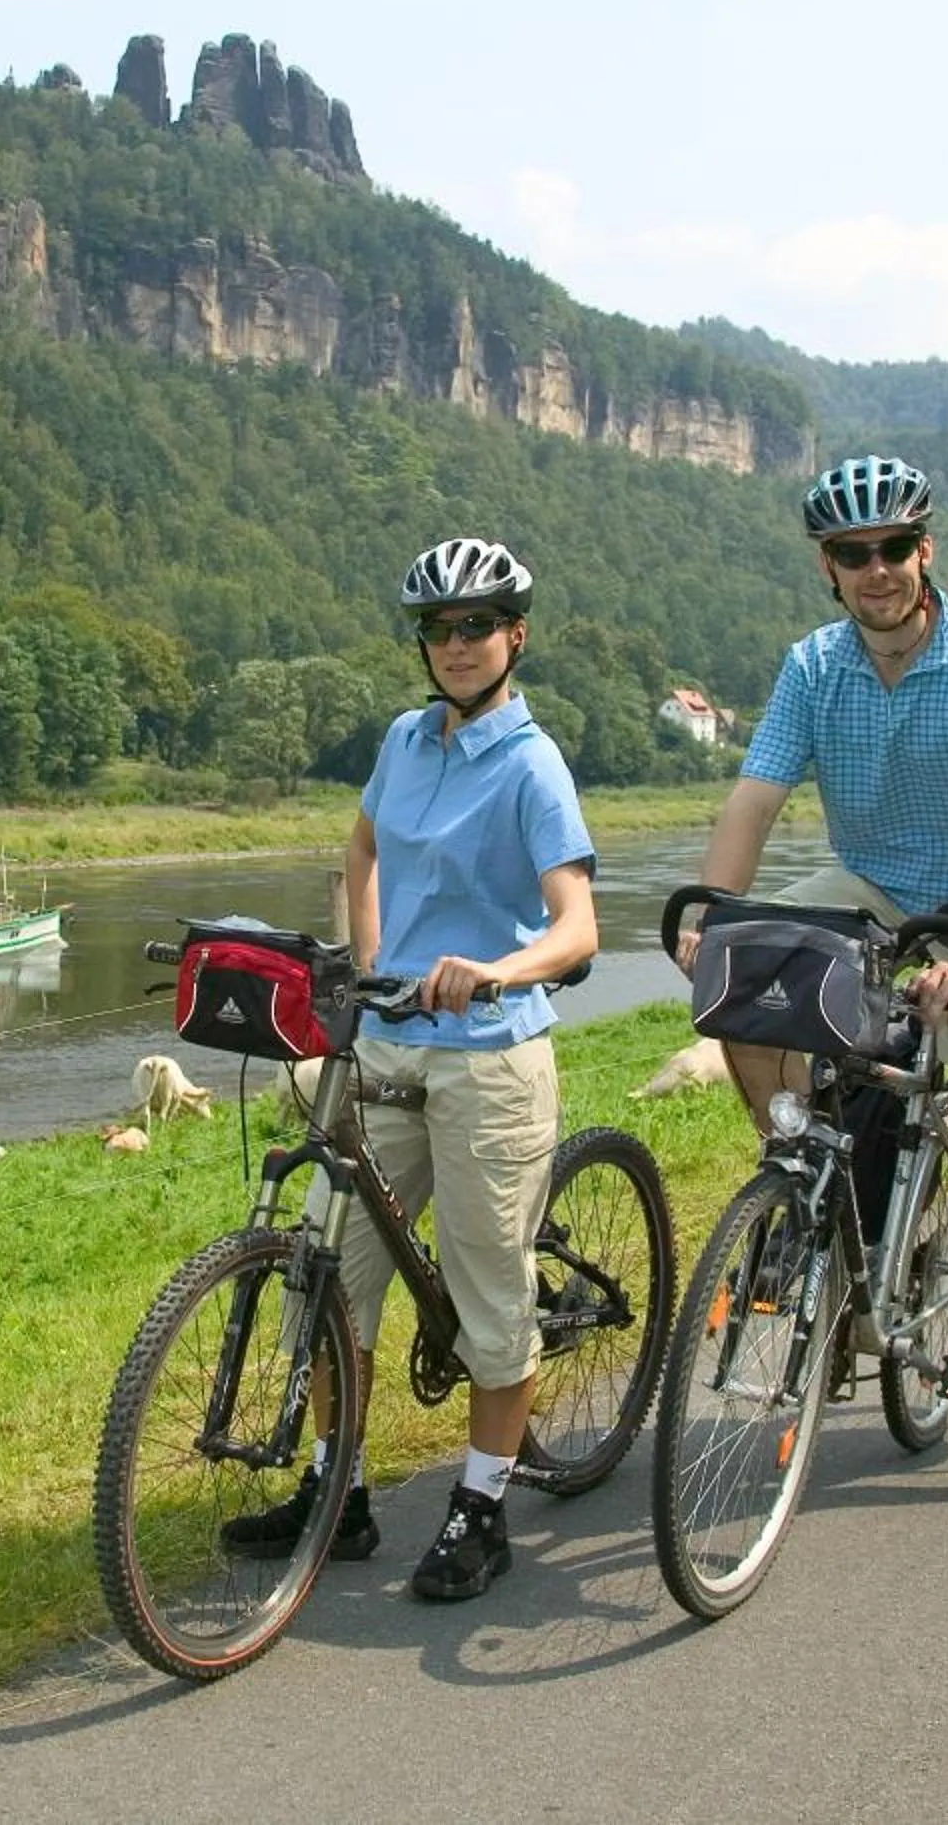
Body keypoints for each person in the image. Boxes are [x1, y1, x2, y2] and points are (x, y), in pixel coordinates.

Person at [680, 454, 948, 1523]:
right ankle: (800, 1175)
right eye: (853, 553)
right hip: (870, 890)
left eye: (893, 548)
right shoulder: (814, 667)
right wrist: (710, 917)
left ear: (924, 550)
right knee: (744, 970)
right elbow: (754, 799)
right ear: (829, 566)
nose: (876, 569)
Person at [219, 535, 599, 1600]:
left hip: (490, 1057)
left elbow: (577, 929)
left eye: (477, 625)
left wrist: (495, 970)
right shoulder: (404, 739)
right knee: (331, 1277)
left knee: (488, 1290)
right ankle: (338, 1493)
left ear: (515, 636)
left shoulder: (533, 765)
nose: (458, 643)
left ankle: (481, 1506)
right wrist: (370, 961)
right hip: (389, 1043)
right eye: (439, 628)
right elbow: (363, 848)